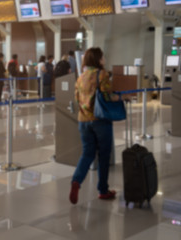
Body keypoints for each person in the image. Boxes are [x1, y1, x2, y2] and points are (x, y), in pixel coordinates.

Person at [69, 47, 129, 204]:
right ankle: (103, 190)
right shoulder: (101, 74)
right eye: (102, 57)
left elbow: (76, 99)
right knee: (103, 155)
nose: (104, 59)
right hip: (100, 120)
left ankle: (76, 181)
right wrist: (120, 97)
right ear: (97, 59)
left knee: (87, 154)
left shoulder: (80, 77)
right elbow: (107, 96)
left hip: (83, 121)